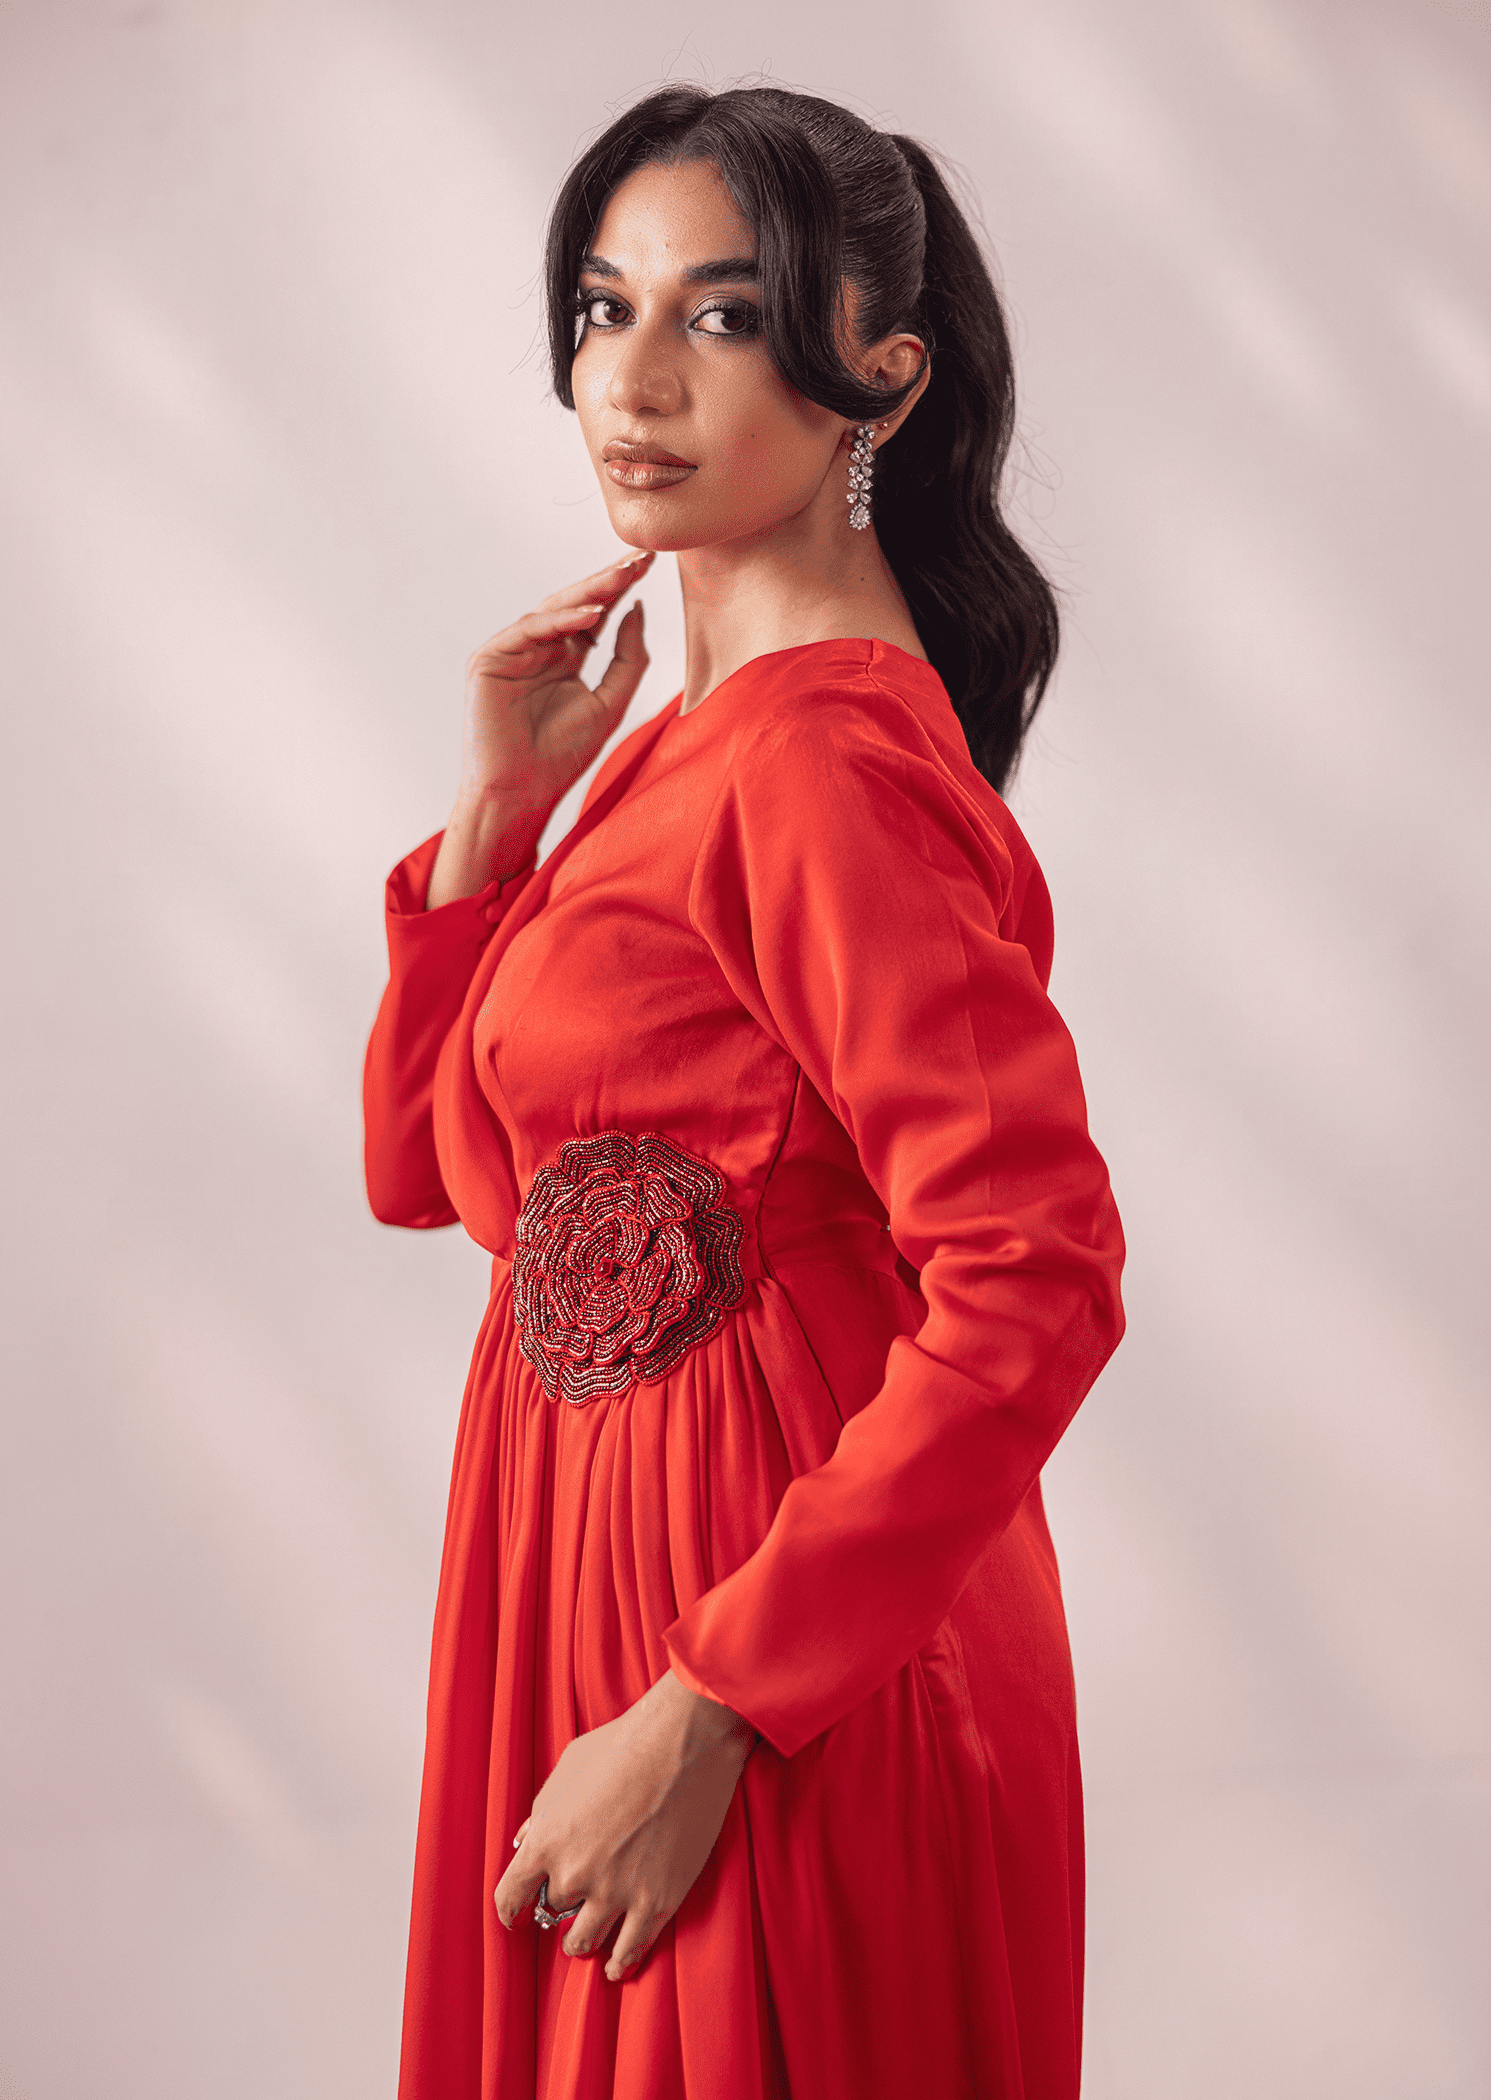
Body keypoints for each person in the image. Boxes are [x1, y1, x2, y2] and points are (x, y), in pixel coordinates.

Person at [363, 82, 1125, 2100]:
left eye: (720, 316)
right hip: (584, 1586)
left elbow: (1039, 1275)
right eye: (603, 310)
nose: (633, 380)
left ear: (883, 373)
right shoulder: (682, 750)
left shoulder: (821, 765)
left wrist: (712, 1706)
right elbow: (438, 1176)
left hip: (765, 1648)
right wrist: (497, 829)